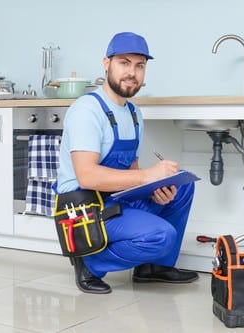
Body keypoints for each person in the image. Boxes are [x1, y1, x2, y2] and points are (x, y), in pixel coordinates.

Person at [55, 32, 198, 294]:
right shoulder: (87, 110)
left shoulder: (133, 113)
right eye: (124, 62)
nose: (132, 72)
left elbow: (131, 174)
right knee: (161, 235)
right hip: (84, 207)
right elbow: (87, 176)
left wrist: (158, 190)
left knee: (183, 186)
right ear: (106, 63)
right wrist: (148, 176)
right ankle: (90, 263)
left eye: (139, 65)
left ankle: (153, 267)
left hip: (113, 199)